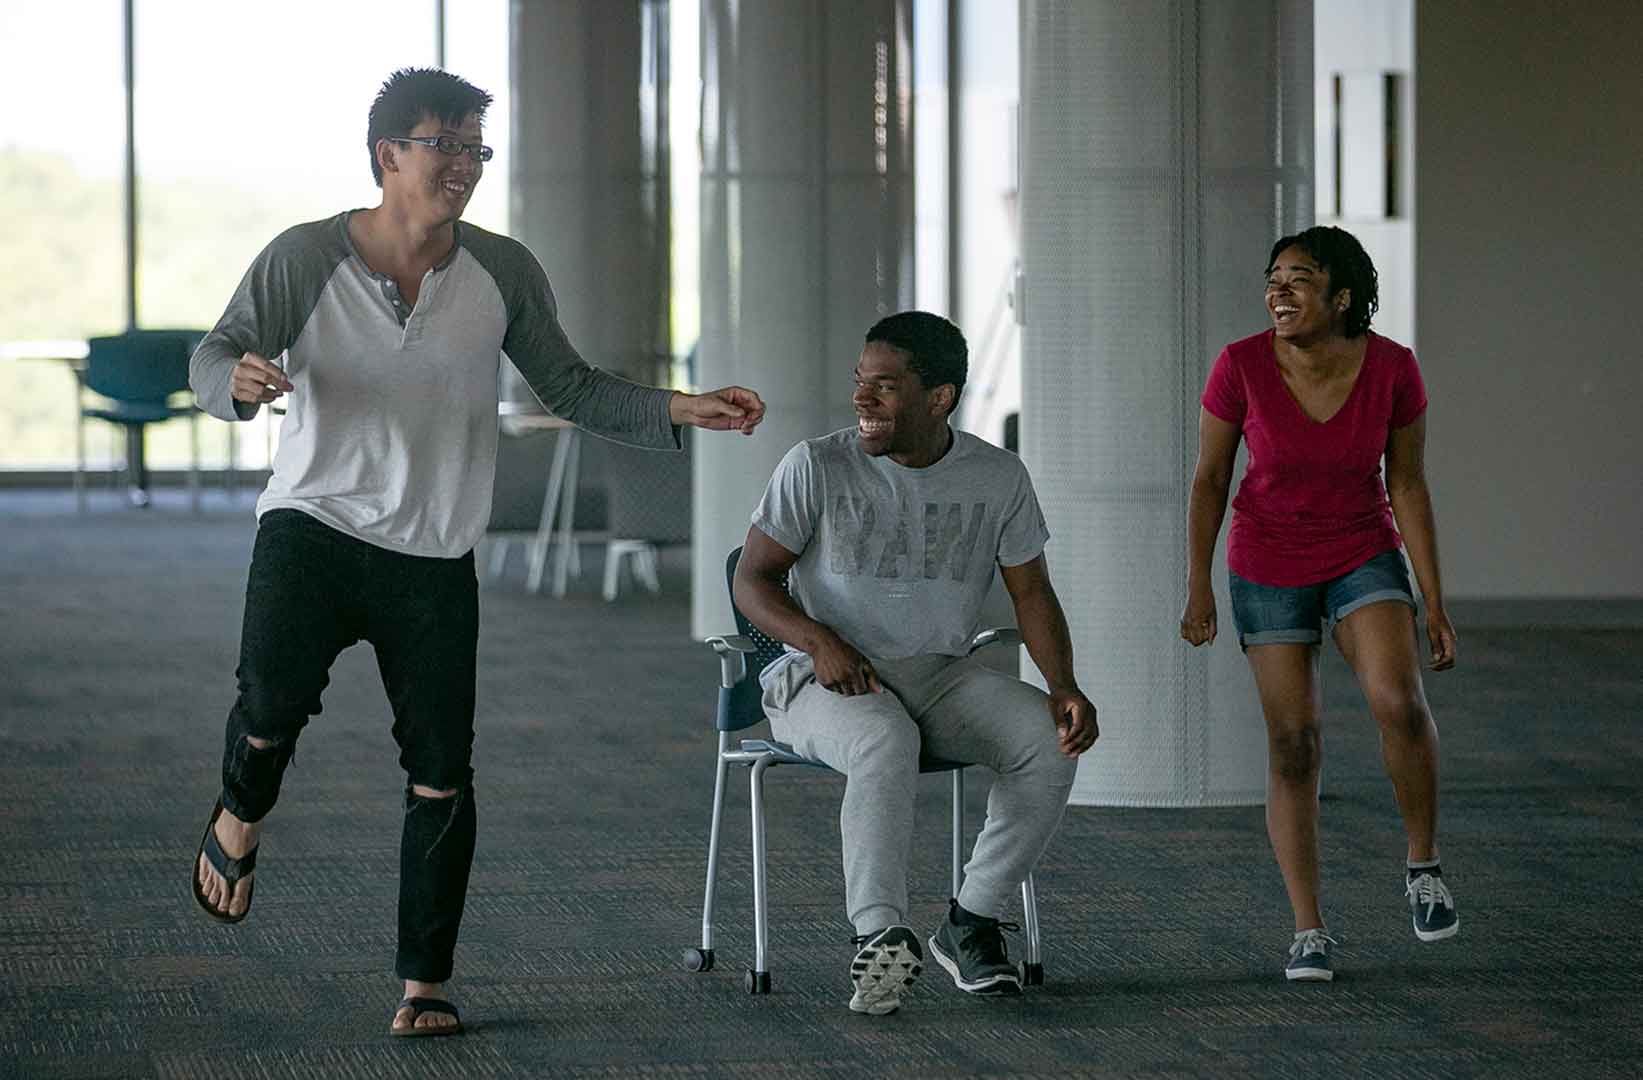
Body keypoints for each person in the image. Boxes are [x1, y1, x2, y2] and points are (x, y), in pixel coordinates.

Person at [186, 68, 765, 1036]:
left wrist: (679, 408)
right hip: (314, 524)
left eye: (474, 149)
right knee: (270, 708)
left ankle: (424, 984)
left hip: (435, 552)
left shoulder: (502, 270)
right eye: (443, 145)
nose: (461, 166)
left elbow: (572, 387)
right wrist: (238, 384)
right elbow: (219, 349)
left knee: (441, 769)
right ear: (387, 155)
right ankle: (239, 814)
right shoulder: (304, 255)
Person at [734, 311, 1098, 1016]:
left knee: (1046, 740)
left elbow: (1031, 591)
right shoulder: (816, 464)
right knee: (882, 737)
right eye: (859, 383)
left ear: (939, 398)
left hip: (937, 674)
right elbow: (753, 580)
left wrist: (1063, 686)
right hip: (822, 679)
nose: (862, 400)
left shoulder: (995, 476)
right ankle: (878, 933)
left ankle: (971, 920)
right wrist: (818, 641)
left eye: (886, 387)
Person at [1181, 225, 1459, 982]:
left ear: (1341, 297)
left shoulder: (1393, 368)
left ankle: (1421, 865)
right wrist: (1198, 583)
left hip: (1360, 547)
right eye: (1272, 276)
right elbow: (1209, 478)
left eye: (1298, 278)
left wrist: (1431, 599)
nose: (1278, 289)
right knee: (1292, 742)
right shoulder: (1238, 365)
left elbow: (1406, 481)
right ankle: (1308, 928)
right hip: (1267, 557)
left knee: (1396, 700)